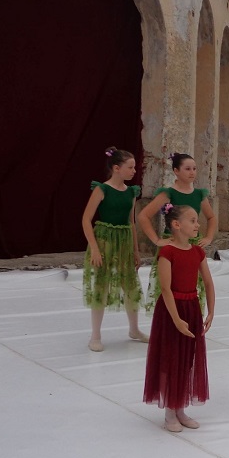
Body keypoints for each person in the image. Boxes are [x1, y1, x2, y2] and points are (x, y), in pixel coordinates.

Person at [143, 204, 215, 432]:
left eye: (197, 221)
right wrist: (175, 319)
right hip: (172, 311)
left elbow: (208, 282)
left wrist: (211, 310)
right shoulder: (168, 252)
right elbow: (165, 289)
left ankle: (180, 407)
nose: (198, 225)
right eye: (193, 221)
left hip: (191, 308)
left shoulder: (197, 252)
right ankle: (169, 412)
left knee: (187, 359)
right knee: (171, 358)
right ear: (176, 225)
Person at [81, 147, 147, 352]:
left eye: (134, 167)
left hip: (124, 240)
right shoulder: (102, 189)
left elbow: (132, 223)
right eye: (130, 167)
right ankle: (95, 335)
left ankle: (134, 329)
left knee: (130, 285)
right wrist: (94, 249)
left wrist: (135, 251)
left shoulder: (131, 192)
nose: (134, 170)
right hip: (105, 240)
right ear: (116, 168)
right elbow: (85, 219)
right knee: (101, 285)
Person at [139, 153, 217, 313]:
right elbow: (144, 216)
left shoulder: (199, 194)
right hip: (173, 244)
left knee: (192, 282)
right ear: (176, 171)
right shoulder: (168, 193)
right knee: (171, 283)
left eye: (194, 169)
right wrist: (156, 240)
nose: (192, 172)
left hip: (192, 245)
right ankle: (170, 316)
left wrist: (209, 237)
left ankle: (190, 314)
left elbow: (211, 217)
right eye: (187, 169)